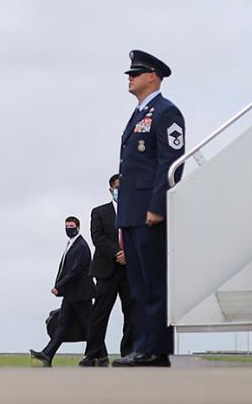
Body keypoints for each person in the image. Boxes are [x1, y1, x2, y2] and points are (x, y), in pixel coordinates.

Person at [116, 50, 186, 367]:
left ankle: (156, 349)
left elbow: (170, 162)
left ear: (152, 76)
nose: (130, 77)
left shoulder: (166, 112)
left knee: (154, 283)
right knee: (138, 286)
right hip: (132, 212)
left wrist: (159, 205)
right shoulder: (138, 114)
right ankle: (143, 345)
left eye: (136, 72)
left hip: (150, 212)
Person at [32, 216, 93, 366]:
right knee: (62, 324)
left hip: (81, 294)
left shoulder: (81, 246)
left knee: (88, 325)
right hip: (71, 294)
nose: (69, 229)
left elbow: (75, 271)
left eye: (71, 226)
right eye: (66, 226)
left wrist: (59, 286)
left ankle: (99, 355)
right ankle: (48, 354)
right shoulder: (72, 244)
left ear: (78, 227)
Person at [82, 176, 128, 366]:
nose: (120, 190)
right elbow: (97, 238)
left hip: (130, 270)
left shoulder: (136, 212)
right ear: (111, 190)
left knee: (132, 313)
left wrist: (129, 255)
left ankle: (129, 353)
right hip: (106, 269)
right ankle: (94, 354)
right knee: (100, 313)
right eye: (117, 187)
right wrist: (117, 253)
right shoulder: (99, 212)